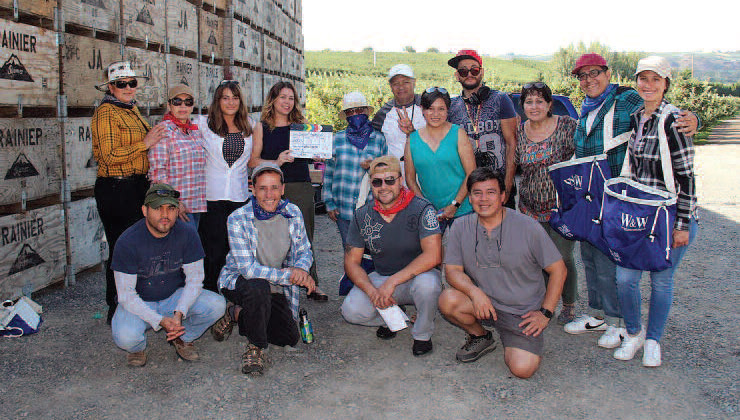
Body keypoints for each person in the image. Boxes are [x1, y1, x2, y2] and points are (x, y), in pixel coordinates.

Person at [563, 53, 699, 350]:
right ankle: (598, 314)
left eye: (595, 73)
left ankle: (617, 321)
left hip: (619, 200)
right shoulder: (586, 110)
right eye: (583, 76)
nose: (589, 80)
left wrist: (693, 119)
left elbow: (661, 110)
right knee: (589, 258)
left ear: (608, 74)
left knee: (609, 260)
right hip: (593, 198)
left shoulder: (625, 101)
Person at [438, 168, 566, 378]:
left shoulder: (528, 227)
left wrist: (545, 313)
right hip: (485, 304)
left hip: (521, 313)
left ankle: (515, 339)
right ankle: (481, 336)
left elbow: (558, 270)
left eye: (491, 192)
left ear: (503, 196)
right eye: (477, 193)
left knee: (522, 369)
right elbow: (452, 271)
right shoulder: (461, 227)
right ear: (469, 198)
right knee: (447, 300)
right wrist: (475, 293)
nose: (484, 199)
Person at [612, 56, 699, 367]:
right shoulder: (637, 117)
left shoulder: (675, 120)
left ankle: (653, 340)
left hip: (671, 216)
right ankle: (634, 333)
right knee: (625, 277)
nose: (647, 85)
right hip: (642, 214)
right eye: (643, 78)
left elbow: (687, 177)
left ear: (665, 84)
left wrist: (683, 224)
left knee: (662, 280)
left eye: (655, 79)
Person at [212, 163, 315, 375]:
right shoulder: (238, 218)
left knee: (288, 337)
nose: (269, 194)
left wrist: (301, 271)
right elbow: (249, 270)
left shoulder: (292, 212)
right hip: (240, 281)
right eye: (262, 188)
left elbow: (306, 251)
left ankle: (235, 313)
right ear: (253, 189)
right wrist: (290, 275)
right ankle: (255, 347)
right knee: (258, 287)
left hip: (276, 284)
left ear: (283, 189)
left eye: (274, 187)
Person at [111, 183, 226, 367]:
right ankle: (137, 348)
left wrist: (179, 313)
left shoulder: (187, 233)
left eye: (171, 208)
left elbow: (195, 280)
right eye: (157, 208)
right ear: (144, 210)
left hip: (173, 297)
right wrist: (160, 321)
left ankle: (181, 337)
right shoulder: (128, 241)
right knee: (126, 337)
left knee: (217, 305)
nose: (165, 215)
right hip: (140, 300)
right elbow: (126, 295)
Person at [340, 156, 443, 356]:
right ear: (371, 184)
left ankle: (422, 334)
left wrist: (392, 283)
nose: (383, 186)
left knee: (428, 286)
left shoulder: (422, 208)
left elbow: (433, 255)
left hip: (419, 276)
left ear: (401, 180)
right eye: (377, 182)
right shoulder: (362, 215)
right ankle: (395, 316)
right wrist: (372, 292)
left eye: (390, 180)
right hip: (383, 276)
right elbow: (351, 263)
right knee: (351, 311)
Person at [92, 61, 167, 324]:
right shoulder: (106, 113)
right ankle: (117, 308)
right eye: (121, 83)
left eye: (131, 83)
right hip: (117, 187)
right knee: (121, 248)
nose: (127, 88)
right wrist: (144, 143)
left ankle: (133, 305)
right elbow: (109, 156)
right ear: (111, 87)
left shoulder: (131, 109)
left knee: (135, 247)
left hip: (135, 185)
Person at [251, 81, 327, 301]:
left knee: (305, 235)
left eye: (291, 98)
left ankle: (312, 283)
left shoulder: (302, 127)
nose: (287, 102)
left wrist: (316, 155)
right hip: (272, 189)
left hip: (300, 185)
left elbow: (313, 155)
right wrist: (277, 162)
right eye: (282, 97)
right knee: (272, 236)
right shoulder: (261, 127)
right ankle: (273, 283)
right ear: (273, 100)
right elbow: (253, 161)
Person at [515, 82, 579, 324]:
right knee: (535, 259)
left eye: (539, 101)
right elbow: (513, 163)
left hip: (562, 208)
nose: (534, 106)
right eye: (529, 102)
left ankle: (569, 304)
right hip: (529, 207)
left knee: (562, 257)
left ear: (549, 104)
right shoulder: (518, 131)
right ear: (522, 106)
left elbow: (586, 151)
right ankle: (543, 303)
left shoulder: (567, 125)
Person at [192, 80, 260, 292]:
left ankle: (233, 296)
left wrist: (278, 161)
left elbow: (254, 162)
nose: (231, 102)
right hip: (211, 198)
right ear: (218, 100)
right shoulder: (202, 123)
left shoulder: (252, 125)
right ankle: (210, 295)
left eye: (235, 97)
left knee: (237, 251)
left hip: (239, 198)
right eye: (225, 98)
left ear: (241, 100)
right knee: (212, 251)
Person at [446, 49, 518, 209]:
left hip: (499, 186)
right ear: (457, 76)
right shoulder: (451, 107)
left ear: (482, 72)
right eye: (463, 71)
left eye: (474, 69)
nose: (469, 74)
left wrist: (506, 187)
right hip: (469, 190)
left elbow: (512, 144)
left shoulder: (501, 99)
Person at [404, 87, 476, 232]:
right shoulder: (412, 140)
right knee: (435, 254)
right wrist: (426, 207)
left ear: (447, 110)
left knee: (465, 253)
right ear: (422, 109)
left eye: (441, 109)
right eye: (430, 109)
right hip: (431, 213)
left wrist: (455, 205)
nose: (436, 114)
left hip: (463, 209)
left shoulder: (458, 134)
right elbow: (410, 179)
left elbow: (471, 173)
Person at [324, 91, 388, 245]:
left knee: (371, 250)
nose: (355, 114)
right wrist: (328, 202)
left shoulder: (379, 139)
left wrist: (374, 166)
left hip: (371, 208)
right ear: (346, 116)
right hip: (343, 206)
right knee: (349, 249)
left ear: (366, 111)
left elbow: (387, 172)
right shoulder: (337, 139)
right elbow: (328, 174)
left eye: (359, 110)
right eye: (350, 112)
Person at [148, 84, 206, 230]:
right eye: (177, 101)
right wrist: (172, 201)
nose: (183, 106)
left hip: (196, 204)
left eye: (188, 102)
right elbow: (157, 172)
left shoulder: (195, 132)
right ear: (169, 105)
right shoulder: (163, 131)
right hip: (175, 207)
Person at [372, 64, 426, 166]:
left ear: (414, 82)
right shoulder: (383, 113)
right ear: (390, 87)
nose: (401, 87)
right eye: (396, 83)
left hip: (424, 170)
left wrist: (412, 133)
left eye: (406, 82)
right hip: (395, 174)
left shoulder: (428, 106)